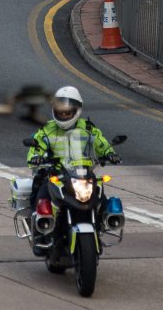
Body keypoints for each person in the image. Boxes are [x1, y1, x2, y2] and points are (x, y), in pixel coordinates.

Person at [25, 86, 120, 253]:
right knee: (40, 194)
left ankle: (103, 225)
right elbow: (36, 145)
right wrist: (36, 157)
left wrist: (110, 153)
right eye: (60, 111)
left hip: (81, 173)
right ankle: (39, 231)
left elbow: (101, 143)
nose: (63, 115)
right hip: (56, 174)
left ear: (77, 110)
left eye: (67, 112)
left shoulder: (88, 128)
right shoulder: (46, 129)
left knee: (101, 196)